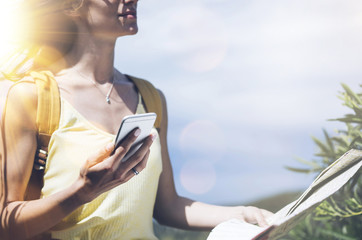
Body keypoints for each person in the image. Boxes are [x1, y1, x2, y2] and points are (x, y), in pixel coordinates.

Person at [0, 0, 273, 239]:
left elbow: (167, 207)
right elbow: (7, 222)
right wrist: (83, 191)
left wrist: (241, 214)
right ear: (72, 5)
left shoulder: (151, 98)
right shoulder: (33, 97)